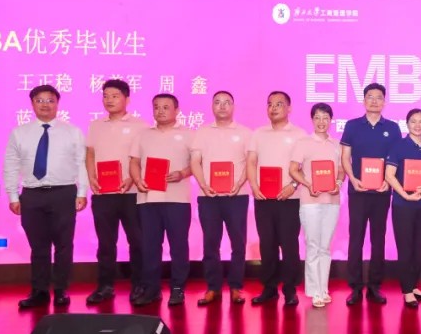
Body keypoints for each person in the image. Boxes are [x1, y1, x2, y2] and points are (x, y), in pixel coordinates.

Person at [3, 84, 88, 309]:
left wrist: (82, 192)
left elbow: (81, 163)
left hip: (64, 193)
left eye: (50, 100)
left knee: (63, 245)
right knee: (38, 247)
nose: (45, 105)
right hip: (32, 195)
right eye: (39, 100)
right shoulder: (19, 133)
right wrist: (13, 195)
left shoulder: (72, 132)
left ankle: (61, 290)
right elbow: (11, 165)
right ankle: (39, 291)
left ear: (57, 104)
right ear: (32, 104)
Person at [85, 78, 147, 305]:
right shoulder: (96, 125)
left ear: (127, 99)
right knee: (105, 243)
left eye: (114, 96)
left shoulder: (140, 126)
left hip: (132, 194)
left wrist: (132, 178)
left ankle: (139, 285)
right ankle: (105, 286)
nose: (109, 100)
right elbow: (90, 153)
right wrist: (91, 177)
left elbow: (144, 158)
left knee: (137, 242)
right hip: (103, 194)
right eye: (105, 96)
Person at [129, 94, 193, 307]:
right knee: (149, 246)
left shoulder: (189, 135)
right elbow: (134, 162)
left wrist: (182, 173)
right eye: (156, 107)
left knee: (178, 246)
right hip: (148, 198)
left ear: (177, 110)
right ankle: (151, 289)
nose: (160, 111)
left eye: (166, 107)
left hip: (177, 199)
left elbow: (197, 164)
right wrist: (137, 180)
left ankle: (178, 288)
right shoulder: (143, 135)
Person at [341, 83, 402, 305]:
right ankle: (355, 287)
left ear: (384, 102)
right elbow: (345, 157)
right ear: (364, 100)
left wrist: (387, 181)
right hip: (358, 190)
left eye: (378, 97)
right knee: (355, 238)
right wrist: (352, 178)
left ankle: (375, 286)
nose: (374, 101)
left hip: (382, 192)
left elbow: (396, 159)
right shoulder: (352, 126)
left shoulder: (393, 128)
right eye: (370, 97)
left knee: (378, 239)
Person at [190, 91, 252, 306]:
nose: (222, 106)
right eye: (217, 102)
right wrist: (203, 185)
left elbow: (250, 163)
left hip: (237, 196)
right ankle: (212, 287)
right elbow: (195, 161)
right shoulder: (202, 132)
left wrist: (239, 183)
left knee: (238, 243)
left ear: (233, 106)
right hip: (209, 196)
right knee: (210, 243)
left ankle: (236, 287)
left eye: (227, 102)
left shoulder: (245, 133)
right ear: (212, 106)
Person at [246, 91, 304, 307]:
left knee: (289, 245)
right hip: (263, 198)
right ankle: (269, 288)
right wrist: (254, 186)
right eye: (270, 104)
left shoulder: (299, 135)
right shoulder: (258, 134)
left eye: (279, 104)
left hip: (290, 198)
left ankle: (290, 290)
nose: (273, 108)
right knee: (267, 245)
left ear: (289, 108)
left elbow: (305, 166)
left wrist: (293, 185)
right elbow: (251, 162)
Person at [289, 103, 344, 308]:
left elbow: (341, 170)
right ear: (312, 120)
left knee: (325, 247)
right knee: (313, 245)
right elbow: (293, 169)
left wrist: (338, 184)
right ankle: (314, 292)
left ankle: (323, 288)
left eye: (325, 118)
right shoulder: (303, 143)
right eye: (318, 118)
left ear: (331, 120)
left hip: (331, 201)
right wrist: (308, 184)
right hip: (310, 202)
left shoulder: (336, 145)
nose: (322, 122)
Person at [384, 108, 421, 308]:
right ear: (407, 124)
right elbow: (389, 175)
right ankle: (406, 290)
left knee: (418, 247)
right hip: (403, 205)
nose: (417, 125)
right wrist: (404, 194)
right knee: (405, 248)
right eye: (413, 121)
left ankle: (413, 286)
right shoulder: (398, 146)